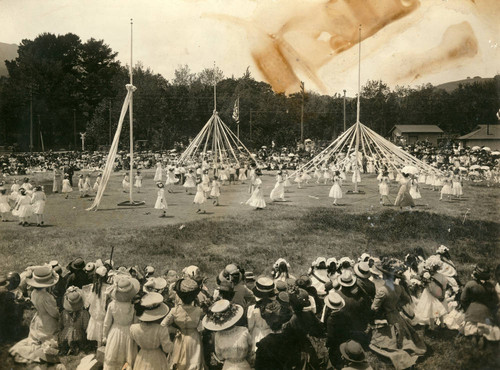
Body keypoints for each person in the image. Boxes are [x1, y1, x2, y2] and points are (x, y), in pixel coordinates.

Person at [369, 259, 426, 369]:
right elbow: (406, 299)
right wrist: (396, 305)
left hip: (387, 317)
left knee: (384, 341)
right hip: (397, 315)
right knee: (402, 333)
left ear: (385, 277)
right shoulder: (399, 288)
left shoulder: (382, 290)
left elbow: (374, 307)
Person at [9, 266, 60, 364]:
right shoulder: (47, 297)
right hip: (47, 321)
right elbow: (53, 312)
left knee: (37, 336)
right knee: (50, 338)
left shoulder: (33, 293)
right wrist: (59, 316)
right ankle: (39, 351)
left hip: (39, 317)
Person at [161, 278, 206, 370]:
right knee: (194, 361)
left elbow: (163, 325)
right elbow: (202, 328)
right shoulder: (198, 311)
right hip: (194, 339)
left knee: (179, 362)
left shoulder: (175, 310)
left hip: (180, 338)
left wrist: (174, 330)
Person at [102, 276, 140, 370]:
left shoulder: (112, 305)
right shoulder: (133, 306)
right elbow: (135, 323)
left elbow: (107, 323)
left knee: (114, 354)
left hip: (115, 331)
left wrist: (104, 335)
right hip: (129, 333)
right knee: (127, 356)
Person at [203, 300, 253, 369]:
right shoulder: (244, 330)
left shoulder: (218, 335)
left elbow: (219, 356)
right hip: (244, 365)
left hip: (228, 366)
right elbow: (250, 349)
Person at [130, 292, 173, 370]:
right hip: (157, 357)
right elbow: (167, 349)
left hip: (141, 356)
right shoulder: (161, 329)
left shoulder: (133, 328)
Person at [460, 264, 500, 348]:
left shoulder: (470, 284)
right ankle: (482, 336)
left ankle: (474, 335)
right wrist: (490, 309)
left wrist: (467, 309)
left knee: (471, 324)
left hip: (471, 310)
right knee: (486, 323)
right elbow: (496, 301)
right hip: (486, 311)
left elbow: (463, 299)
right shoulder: (491, 286)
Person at [58, 286, 90, 355]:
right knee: (80, 338)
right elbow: (85, 327)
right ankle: (74, 346)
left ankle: (68, 346)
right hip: (78, 336)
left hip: (65, 335)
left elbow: (60, 325)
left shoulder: (64, 312)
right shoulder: (84, 313)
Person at [86, 266, 110, 347]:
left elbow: (89, 300)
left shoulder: (93, 286)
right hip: (103, 313)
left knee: (97, 327)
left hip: (96, 313)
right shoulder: (108, 288)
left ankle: (98, 345)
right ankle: (100, 346)